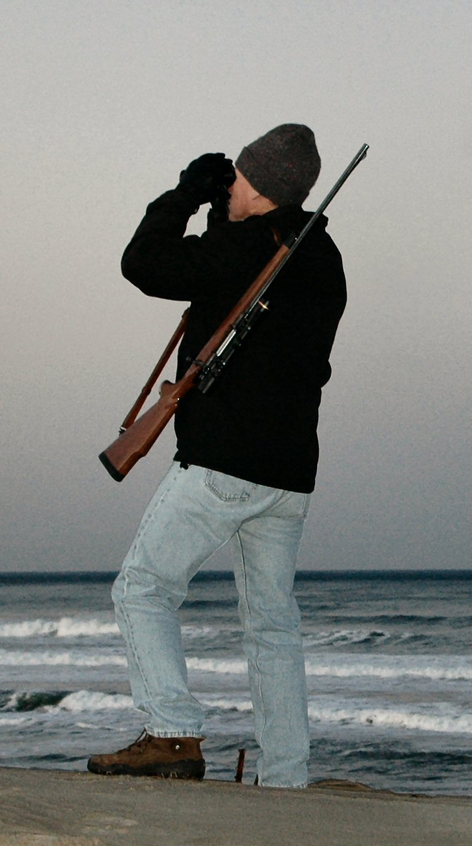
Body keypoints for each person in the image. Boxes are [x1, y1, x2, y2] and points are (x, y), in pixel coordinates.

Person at [88, 123, 347, 788]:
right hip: (289, 474)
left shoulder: (245, 248)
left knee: (142, 589)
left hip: (221, 464)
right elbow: (220, 276)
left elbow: (144, 265)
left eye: (236, 178)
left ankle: (172, 734)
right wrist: (217, 209)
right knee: (271, 628)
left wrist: (182, 193)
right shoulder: (319, 253)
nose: (227, 183)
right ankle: (286, 775)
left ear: (256, 187)